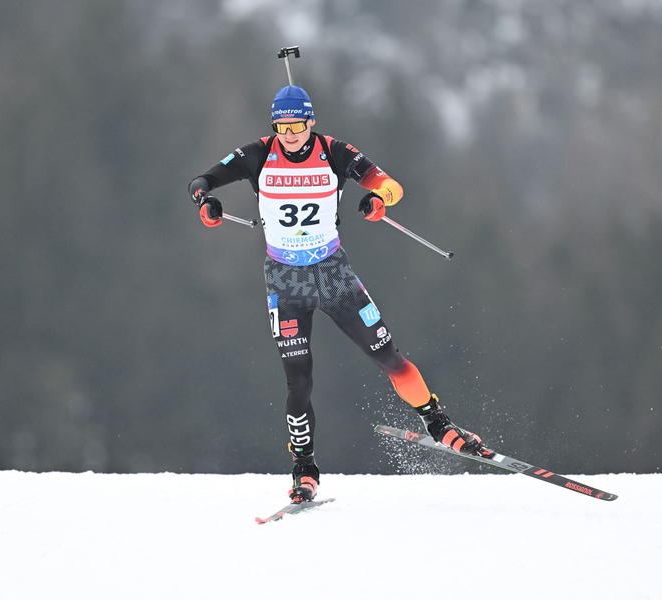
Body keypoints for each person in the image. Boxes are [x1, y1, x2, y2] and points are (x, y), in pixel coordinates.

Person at [188, 84, 482, 503]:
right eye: (282, 127)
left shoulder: (334, 152)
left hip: (334, 275)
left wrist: (378, 198)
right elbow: (201, 181)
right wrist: (206, 203)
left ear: (311, 122)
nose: (289, 135)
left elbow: (391, 186)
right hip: (286, 282)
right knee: (299, 382)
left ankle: (439, 424)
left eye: (297, 126)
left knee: (389, 358)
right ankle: (304, 469)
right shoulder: (257, 154)